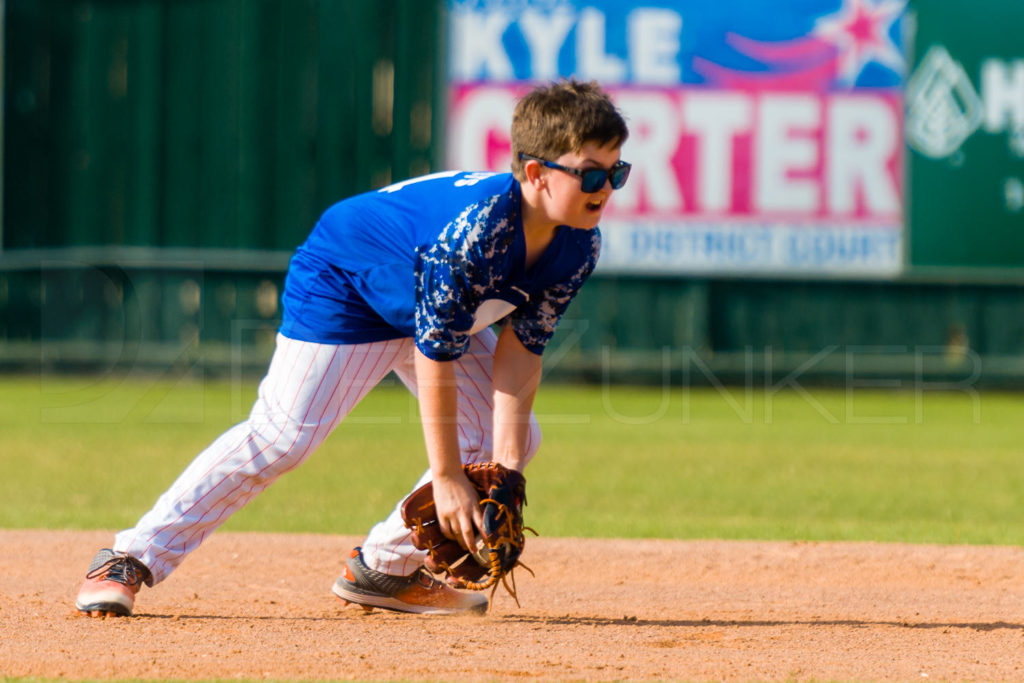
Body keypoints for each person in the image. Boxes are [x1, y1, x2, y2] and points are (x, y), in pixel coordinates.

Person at [75, 79, 631, 617]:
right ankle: (128, 556)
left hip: (428, 307)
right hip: (347, 283)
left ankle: (384, 568)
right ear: (535, 172)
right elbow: (435, 352)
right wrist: (446, 478)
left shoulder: (578, 244)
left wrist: (506, 472)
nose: (605, 188)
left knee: (514, 439)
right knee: (282, 437)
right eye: (589, 174)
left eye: (616, 172)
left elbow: (521, 350)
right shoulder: (477, 233)